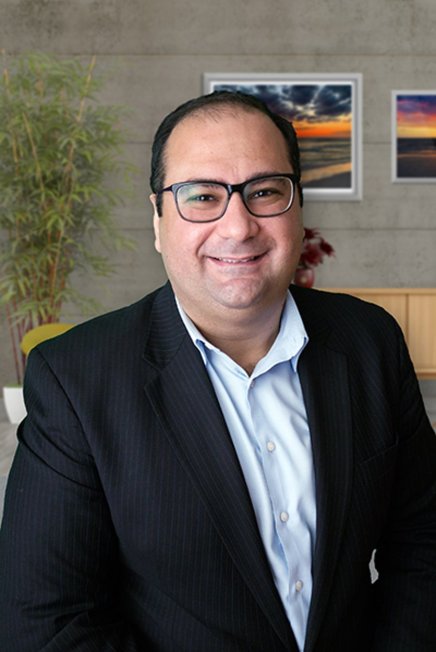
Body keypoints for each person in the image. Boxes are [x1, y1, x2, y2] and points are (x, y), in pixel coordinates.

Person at [0, 90, 435, 652]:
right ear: (157, 219)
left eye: (264, 192)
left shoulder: (370, 340)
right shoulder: (77, 379)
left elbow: (424, 540)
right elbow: (46, 622)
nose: (238, 227)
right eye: (202, 196)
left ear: (298, 207)